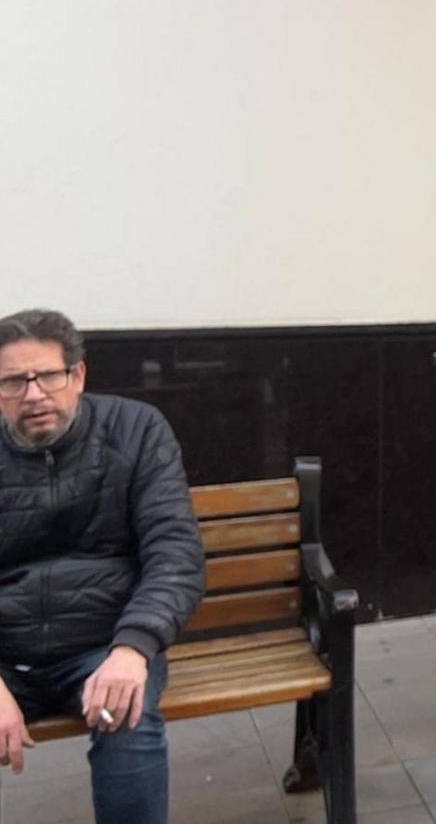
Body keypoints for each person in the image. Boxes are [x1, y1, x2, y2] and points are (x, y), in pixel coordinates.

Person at [0, 309, 204, 824]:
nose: (33, 395)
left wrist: (134, 648)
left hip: (102, 644)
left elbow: (175, 551)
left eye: (47, 375)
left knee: (126, 717)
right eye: (12, 382)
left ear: (78, 375)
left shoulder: (135, 430)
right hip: (6, 653)